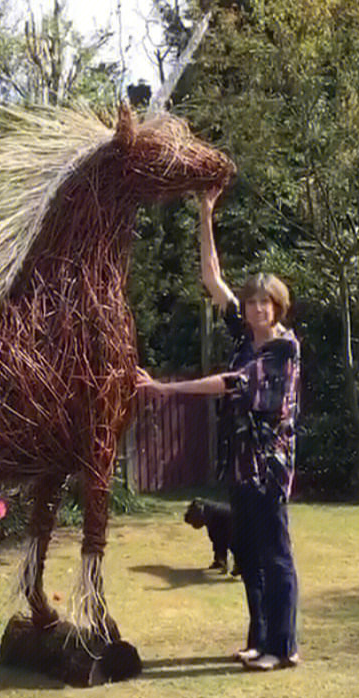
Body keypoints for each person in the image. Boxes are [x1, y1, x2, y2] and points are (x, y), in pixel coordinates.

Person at [136, 186, 301, 671]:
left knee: (275, 555)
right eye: (252, 303)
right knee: (248, 555)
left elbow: (232, 384)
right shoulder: (245, 337)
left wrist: (168, 391)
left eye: (265, 304)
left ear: (278, 307)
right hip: (240, 464)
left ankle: (283, 647)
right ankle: (259, 639)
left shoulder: (282, 349)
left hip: (269, 468)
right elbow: (213, 279)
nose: (257, 309)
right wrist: (206, 214)